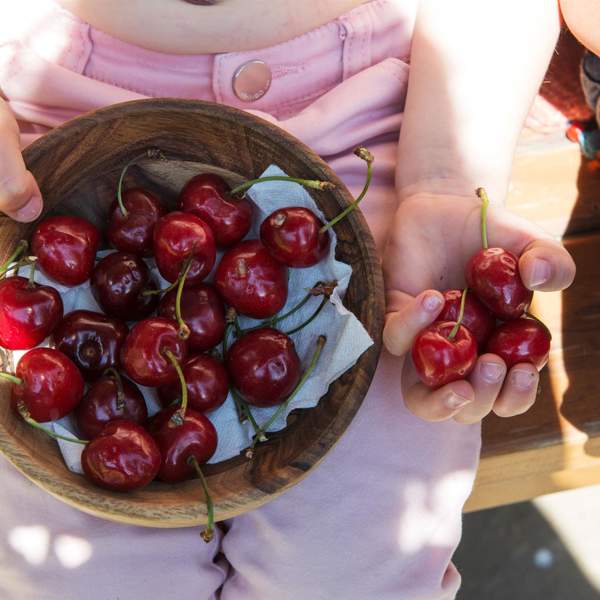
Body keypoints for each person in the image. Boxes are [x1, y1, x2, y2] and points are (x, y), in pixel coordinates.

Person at [0, 1, 577, 598]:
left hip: (367, 180)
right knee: (80, 583)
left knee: (352, 575)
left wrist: (447, 178)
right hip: (52, 168)